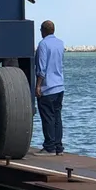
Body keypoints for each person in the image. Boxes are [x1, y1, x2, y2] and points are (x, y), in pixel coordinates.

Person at [33, 20, 65, 156]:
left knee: (47, 117)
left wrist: (38, 85)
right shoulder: (60, 43)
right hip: (59, 86)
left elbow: (42, 67)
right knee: (57, 117)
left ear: (43, 30)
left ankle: (49, 147)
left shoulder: (43, 44)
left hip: (48, 87)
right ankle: (58, 147)